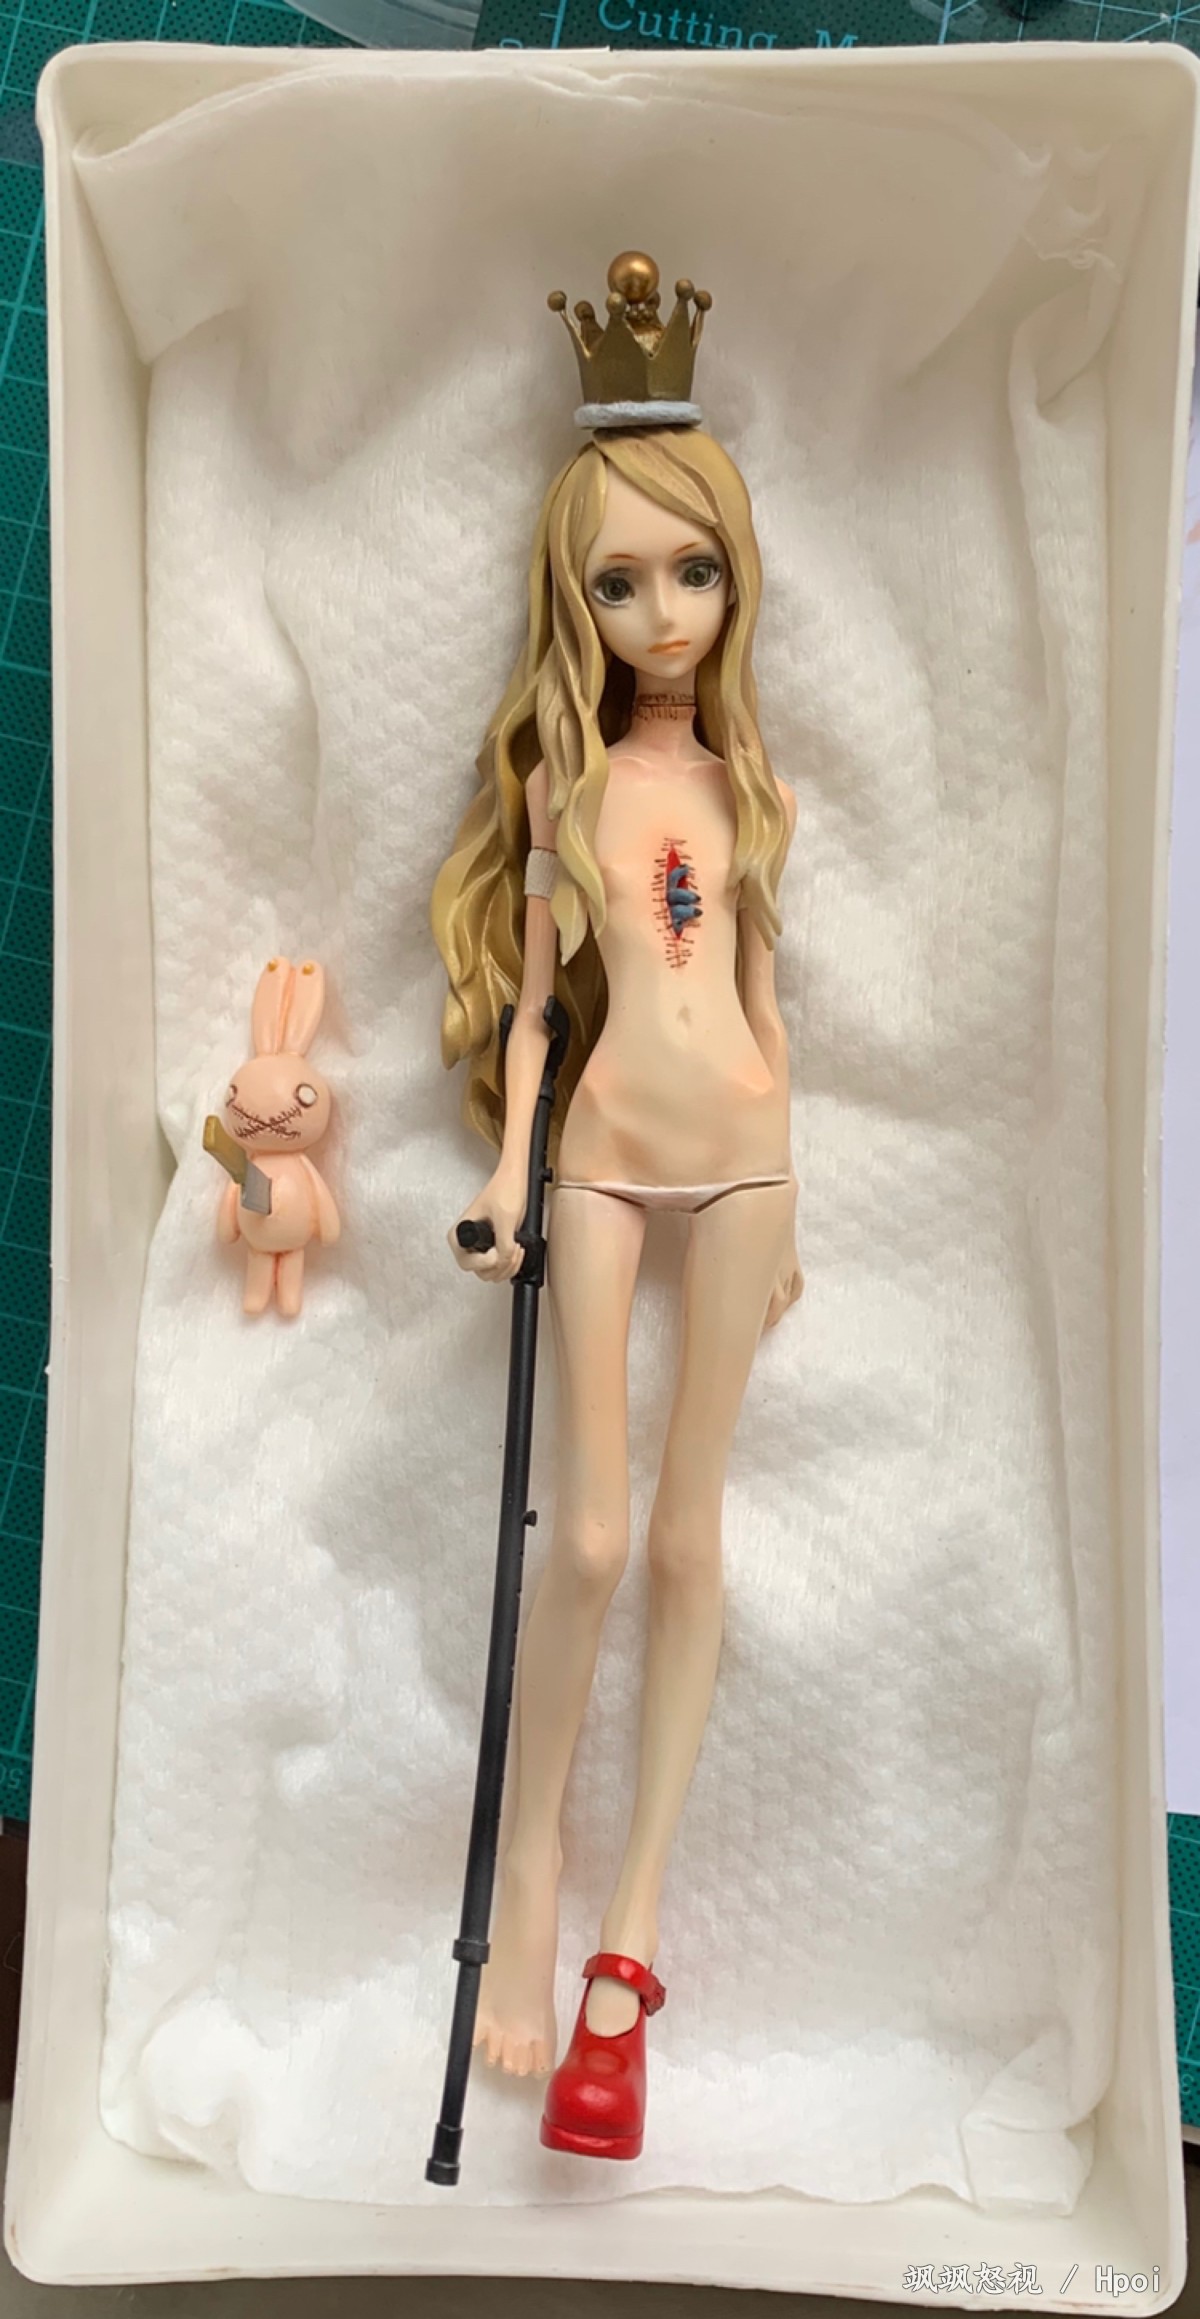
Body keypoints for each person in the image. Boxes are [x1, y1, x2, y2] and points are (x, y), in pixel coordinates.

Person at [430, 253, 804, 2163]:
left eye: (693, 573)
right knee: (580, 1536)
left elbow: (761, 1002)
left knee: (683, 1536)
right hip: (597, 1153)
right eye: (619, 582)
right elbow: (537, 1020)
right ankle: (531, 1875)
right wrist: (509, 1169)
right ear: (570, 603)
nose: (662, 614)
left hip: (742, 1154)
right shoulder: (563, 790)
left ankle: (623, 1952)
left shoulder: (745, 789)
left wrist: (794, 1201)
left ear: (736, 586)